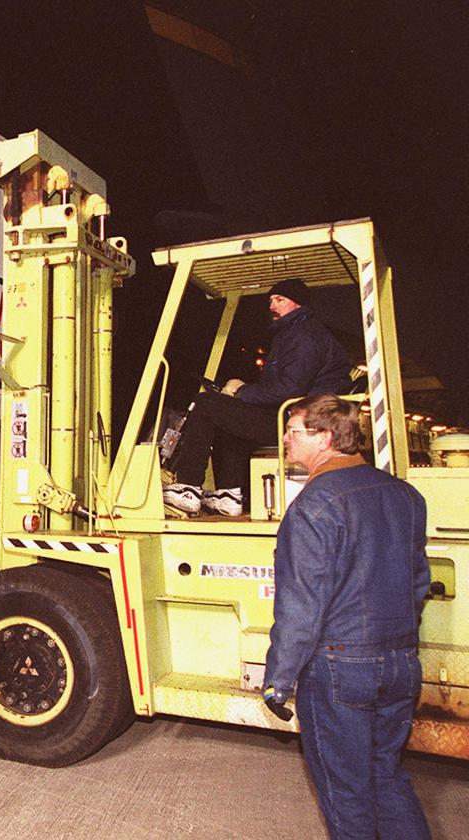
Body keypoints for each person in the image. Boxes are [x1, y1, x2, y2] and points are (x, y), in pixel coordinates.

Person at [262, 395, 431, 839]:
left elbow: (302, 604)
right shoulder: (405, 496)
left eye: (295, 431)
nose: (285, 438)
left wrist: (279, 679)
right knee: (387, 776)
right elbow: (417, 585)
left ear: (326, 437)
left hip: (341, 669)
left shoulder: (312, 506)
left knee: (346, 793)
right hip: (400, 663)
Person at [164, 278, 351, 515]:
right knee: (233, 415)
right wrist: (242, 394)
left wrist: (241, 390)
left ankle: (188, 487)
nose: (272, 306)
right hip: (300, 415)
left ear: (298, 305)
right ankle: (229, 493)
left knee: (205, 404)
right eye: (271, 300)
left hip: (300, 419)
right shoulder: (296, 333)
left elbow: (289, 388)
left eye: (280, 300)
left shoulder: (304, 337)